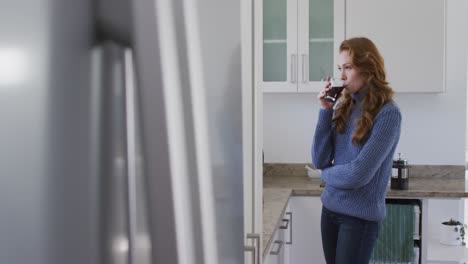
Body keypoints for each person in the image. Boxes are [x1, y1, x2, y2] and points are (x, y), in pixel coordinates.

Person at [311, 37, 402, 264]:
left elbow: (358, 174)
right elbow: (320, 159)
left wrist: (325, 175)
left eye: (348, 68)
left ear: (368, 68)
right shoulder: (345, 106)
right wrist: (325, 111)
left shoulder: (388, 114)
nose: (341, 76)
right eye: (340, 68)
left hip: (358, 219)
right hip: (330, 210)